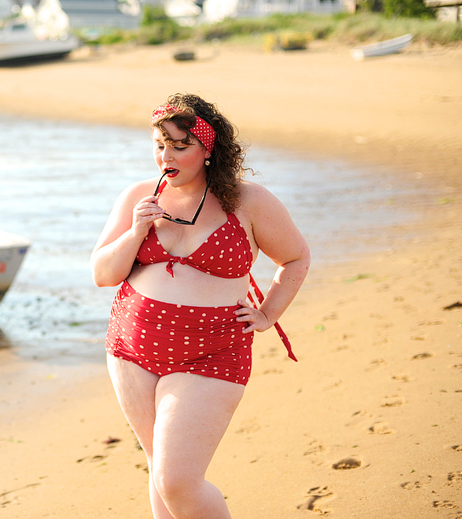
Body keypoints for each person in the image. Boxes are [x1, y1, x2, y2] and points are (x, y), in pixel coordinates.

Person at [91, 92, 310, 519]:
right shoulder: (139, 195)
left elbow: (296, 258)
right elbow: (103, 274)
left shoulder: (248, 202)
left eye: (179, 145)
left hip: (212, 352)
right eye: (159, 144)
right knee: (159, 471)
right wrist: (137, 230)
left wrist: (267, 314)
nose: (165, 156)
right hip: (131, 348)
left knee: (178, 480)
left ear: (207, 150)